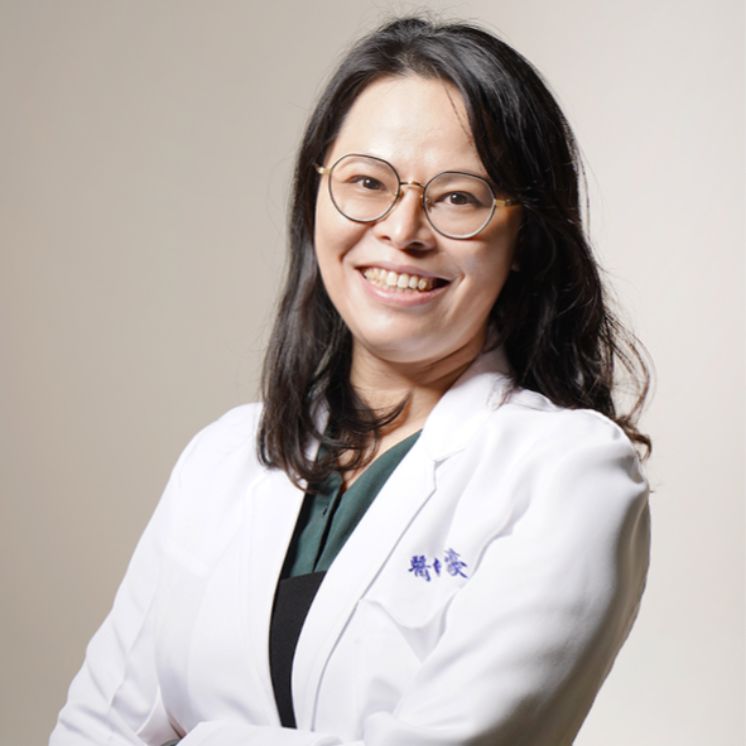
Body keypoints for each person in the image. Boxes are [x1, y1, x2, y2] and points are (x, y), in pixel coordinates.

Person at [50, 16, 652, 746]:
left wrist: (201, 738)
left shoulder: (570, 473)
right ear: (315, 196)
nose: (403, 229)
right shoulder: (222, 457)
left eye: (459, 197)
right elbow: (92, 730)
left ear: (525, 236)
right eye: (366, 182)